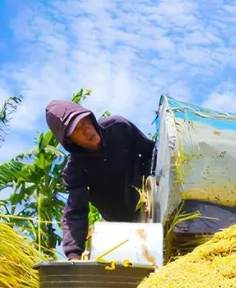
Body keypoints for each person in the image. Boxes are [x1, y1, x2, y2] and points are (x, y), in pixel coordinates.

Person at [45, 100, 156, 260]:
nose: (87, 129)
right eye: (77, 129)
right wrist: (73, 254)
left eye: (85, 122)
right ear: (69, 140)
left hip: (150, 205)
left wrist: (150, 188)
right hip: (119, 225)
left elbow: (151, 151)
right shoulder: (75, 170)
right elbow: (76, 212)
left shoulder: (119, 127)